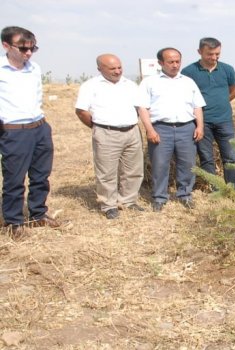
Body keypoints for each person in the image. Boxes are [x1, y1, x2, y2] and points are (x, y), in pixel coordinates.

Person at [0, 26, 60, 238]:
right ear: (6, 45)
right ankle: (13, 221)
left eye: (33, 49)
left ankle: (37, 215)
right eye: (23, 49)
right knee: (14, 180)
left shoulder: (34, 68)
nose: (28, 53)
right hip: (14, 131)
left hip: (39, 127)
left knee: (41, 176)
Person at [75, 54, 144, 219]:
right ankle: (109, 205)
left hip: (131, 131)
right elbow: (81, 111)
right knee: (106, 172)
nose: (117, 71)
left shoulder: (130, 85)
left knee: (133, 169)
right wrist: (97, 127)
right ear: (100, 69)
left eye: (119, 67)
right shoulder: (90, 86)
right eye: (112, 68)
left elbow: (138, 107)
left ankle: (128, 201)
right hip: (106, 133)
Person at [137, 48, 205, 212]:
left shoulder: (188, 82)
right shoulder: (149, 82)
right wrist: (150, 130)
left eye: (177, 61)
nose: (175, 65)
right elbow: (143, 108)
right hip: (161, 128)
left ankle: (185, 195)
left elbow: (197, 106)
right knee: (160, 164)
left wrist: (200, 126)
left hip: (186, 128)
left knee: (187, 164)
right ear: (161, 63)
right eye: (170, 62)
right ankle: (159, 197)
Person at [181, 37, 235, 189]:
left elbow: (233, 89)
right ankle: (216, 188)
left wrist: (222, 102)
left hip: (225, 120)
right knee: (206, 157)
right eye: (210, 54)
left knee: (231, 156)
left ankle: (233, 188)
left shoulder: (227, 69)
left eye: (217, 54)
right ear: (199, 52)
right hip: (202, 122)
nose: (214, 58)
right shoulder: (188, 72)